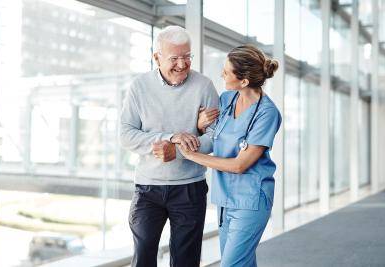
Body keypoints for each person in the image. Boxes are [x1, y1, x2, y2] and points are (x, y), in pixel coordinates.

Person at [119, 25, 219, 267]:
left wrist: (180, 150)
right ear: (157, 57)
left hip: (190, 189)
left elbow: (216, 137)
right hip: (148, 189)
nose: (182, 64)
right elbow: (126, 135)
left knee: (186, 260)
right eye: (174, 58)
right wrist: (170, 137)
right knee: (143, 257)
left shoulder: (204, 86)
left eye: (187, 56)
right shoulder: (139, 87)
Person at [178, 44, 282, 267]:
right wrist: (199, 125)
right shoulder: (227, 100)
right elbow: (213, 135)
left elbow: (239, 165)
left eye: (226, 72)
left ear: (243, 81)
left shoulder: (267, 113)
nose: (221, 74)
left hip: (251, 200)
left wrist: (191, 155)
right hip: (225, 198)